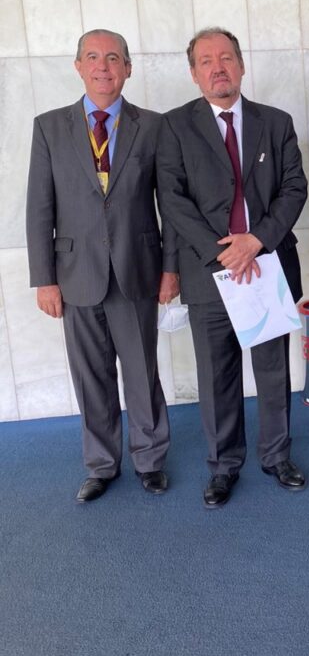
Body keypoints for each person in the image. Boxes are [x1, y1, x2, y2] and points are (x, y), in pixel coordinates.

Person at [156, 27, 308, 508]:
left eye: (226, 58)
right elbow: (172, 200)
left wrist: (256, 240)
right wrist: (223, 251)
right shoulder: (174, 127)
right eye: (206, 61)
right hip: (210, 271)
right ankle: (224, 466)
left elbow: (295, 188)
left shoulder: (275, 122)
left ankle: (277, 456)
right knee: (217, 376)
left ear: (241, 65)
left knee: (272, 370)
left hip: (266, 265)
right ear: (194, 73)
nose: (217, 67)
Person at [26, 29, 178, 503]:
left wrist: (171, 268)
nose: (103, 66)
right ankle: (101, 464)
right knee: (90, 376)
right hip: (75, 275)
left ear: (127, 68)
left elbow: (170, 206)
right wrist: (44, 279)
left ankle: (150, 460)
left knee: (142, 372)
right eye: (92, 57)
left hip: (138, 269)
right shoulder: (49, 127)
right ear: (78, 66)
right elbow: (39, 208)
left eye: (113, 58)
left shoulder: (153, 126)